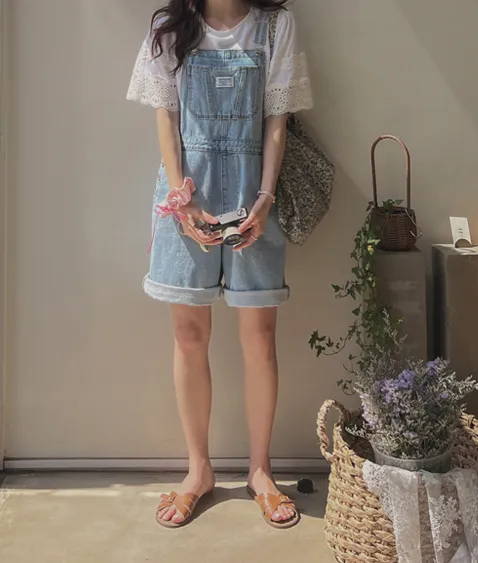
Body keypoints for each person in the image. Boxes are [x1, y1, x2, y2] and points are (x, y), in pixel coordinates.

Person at [126, 0, 313, 529]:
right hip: (187, 192)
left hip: (256, 196)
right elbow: (166, 118)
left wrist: (266, 198)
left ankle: (260, 471)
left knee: (260, 338)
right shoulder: (169, 27)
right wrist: (182, 200)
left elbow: (277, 118)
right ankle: (199, 470)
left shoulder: (274, 25)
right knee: (189, 335)